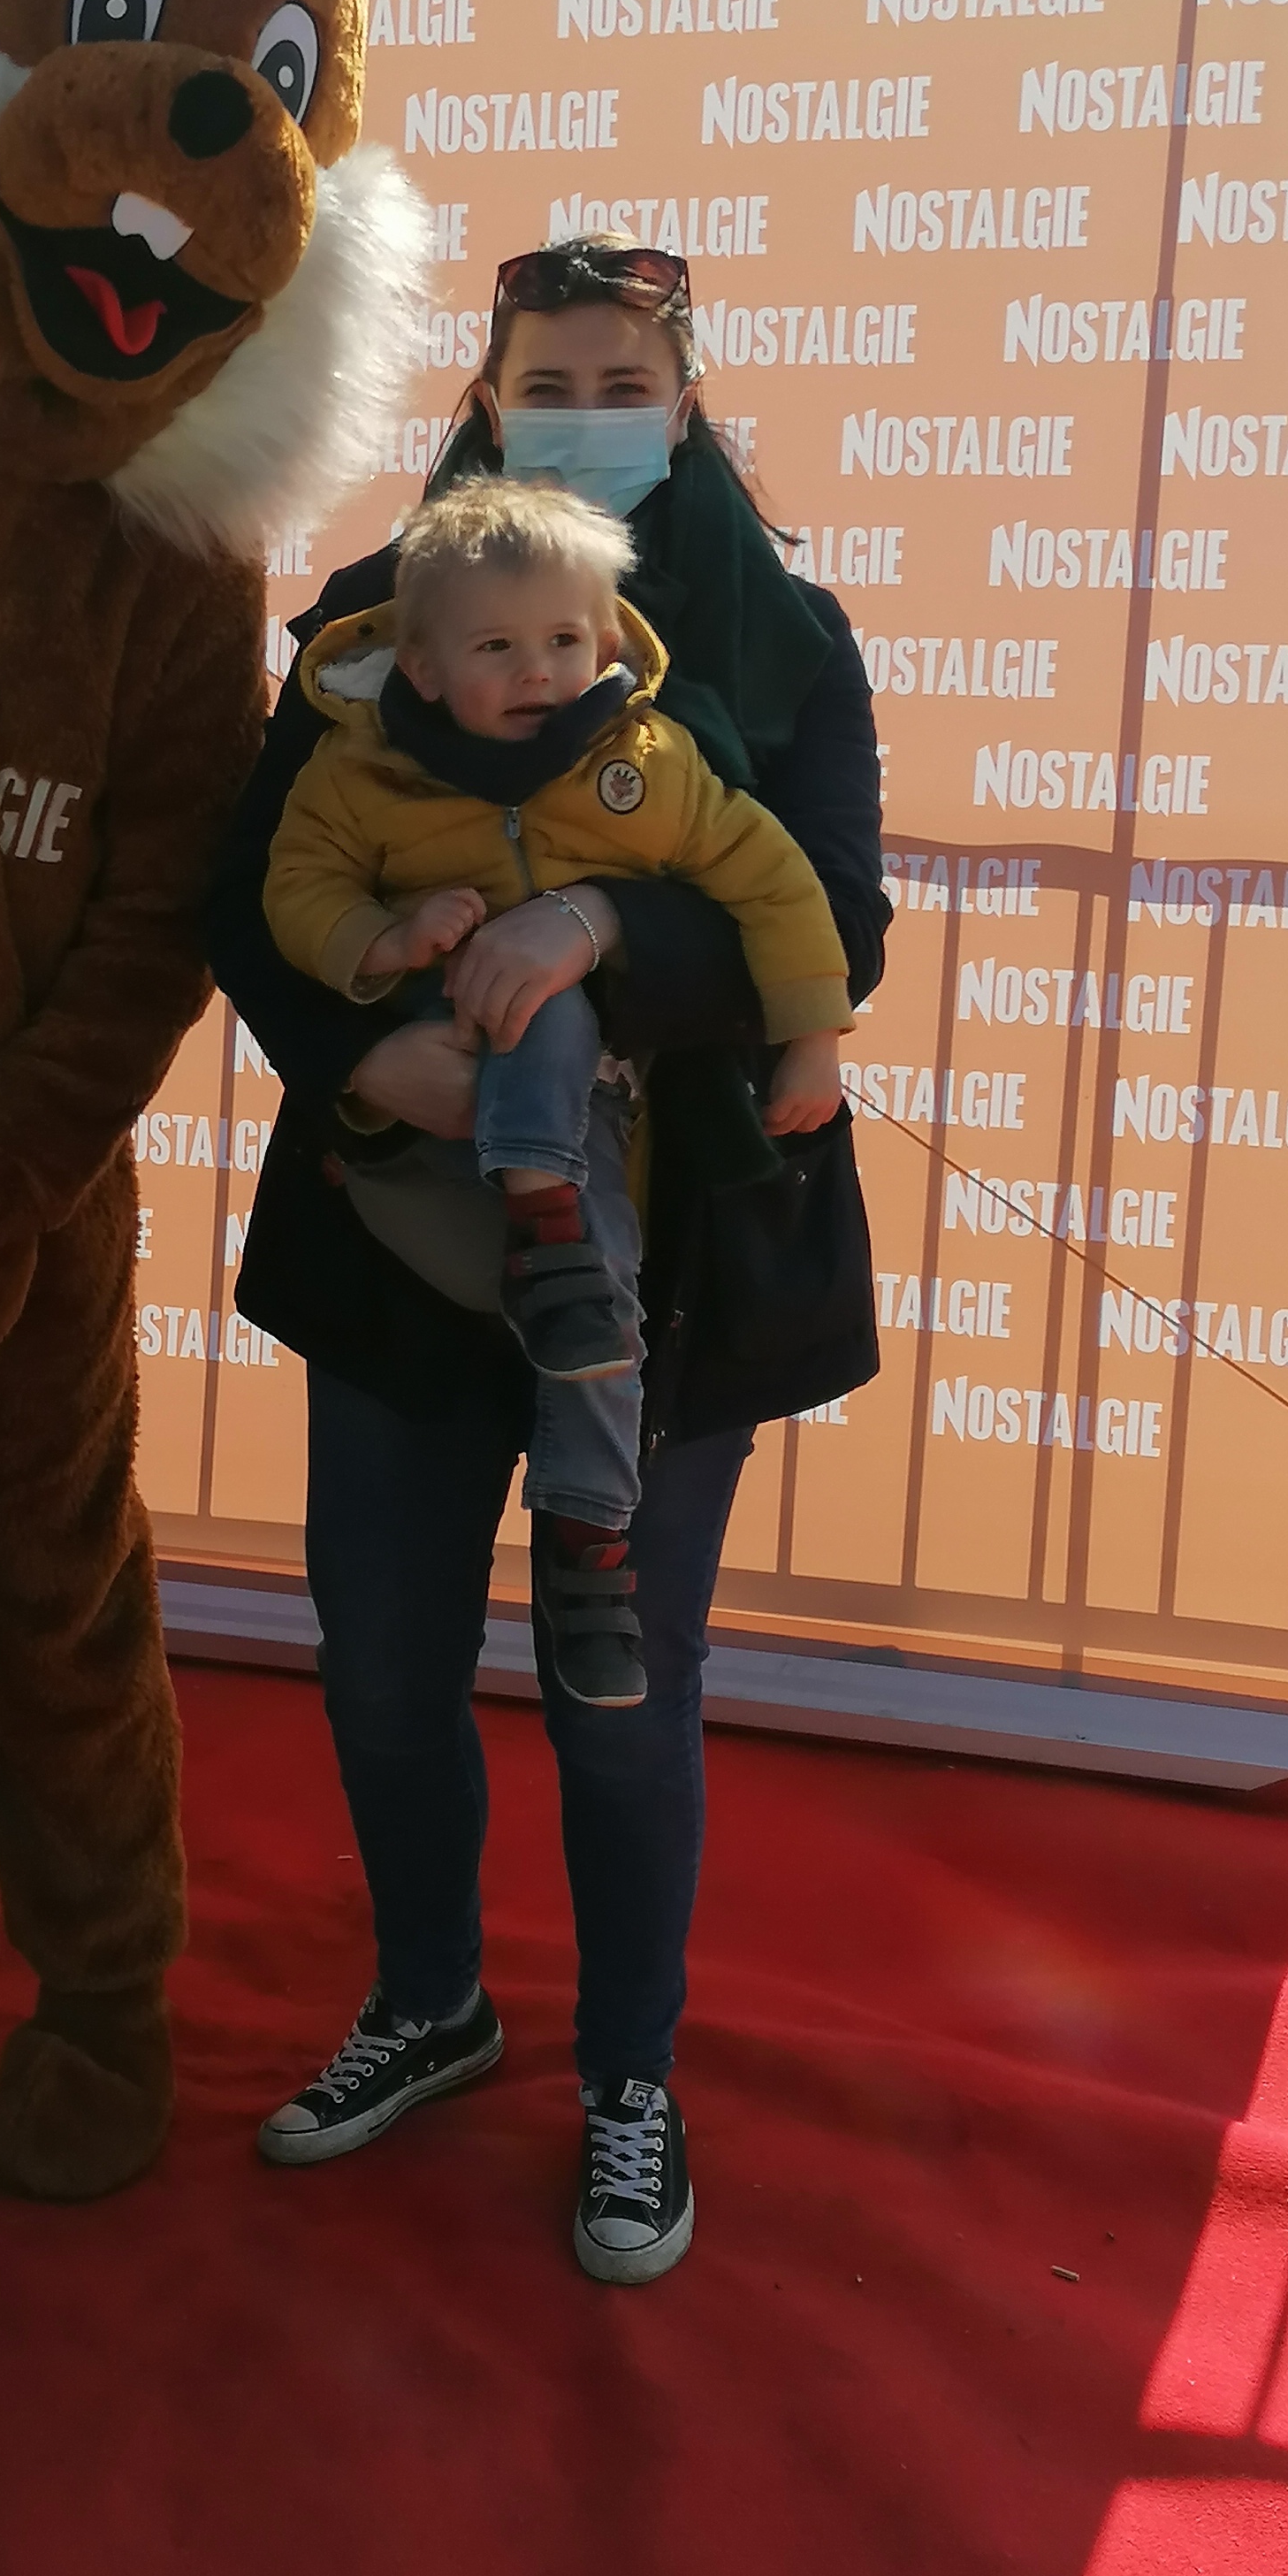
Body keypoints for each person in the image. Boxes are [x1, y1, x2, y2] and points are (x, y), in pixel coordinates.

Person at [209, 238, 888, 2279]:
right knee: (383, 1662)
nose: (585, 413)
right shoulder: (368, 626)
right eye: (547, 381)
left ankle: (629, 2080)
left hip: (667, 1274)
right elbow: (254, 894)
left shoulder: (784, 643)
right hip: (401, 1245)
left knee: (620, 1689)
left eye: (623, 380)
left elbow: (830, 918)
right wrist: (367, 1052)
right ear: (486, 399)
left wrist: (595, 927)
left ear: (685, 405)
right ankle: (432, 1996)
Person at [261, 475, 853, 1710]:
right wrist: (382, 942)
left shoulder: (650, 761)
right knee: (387, 1655)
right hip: (417, 1143)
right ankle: (549, 1241)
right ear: (422, 668)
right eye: (497, 649)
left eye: (567, 643)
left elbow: (783, 886)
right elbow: (290, 891)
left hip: (598, 1133)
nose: (539, 671)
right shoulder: (360, 771)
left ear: (610, 644)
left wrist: (812, 1038)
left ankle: (589, 1549)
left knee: (599, 1336)